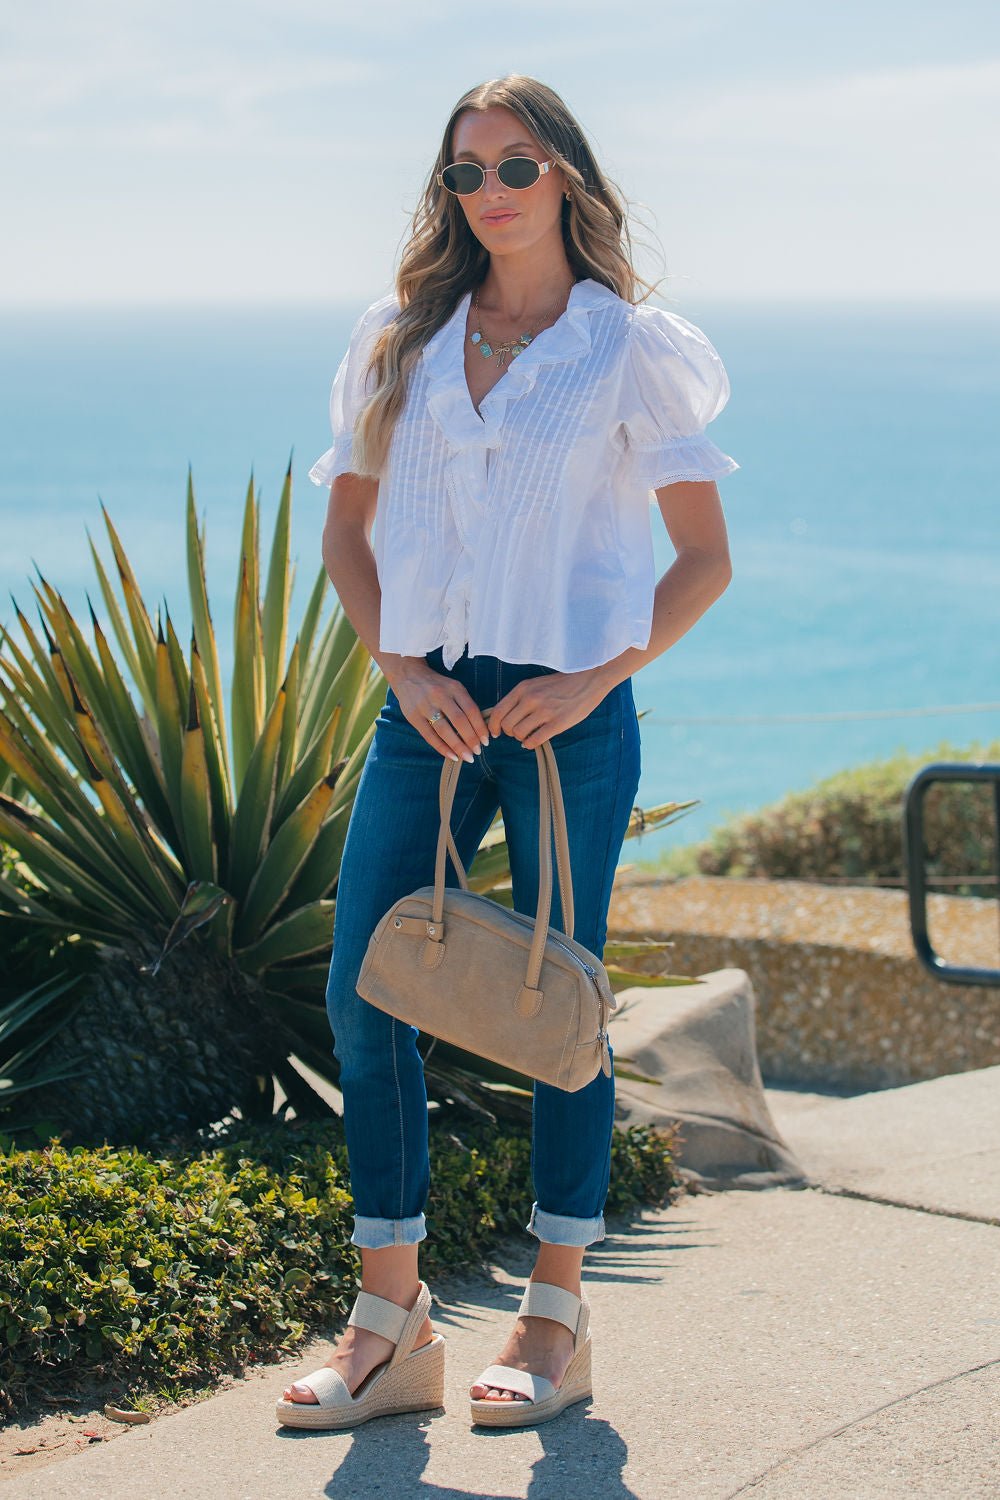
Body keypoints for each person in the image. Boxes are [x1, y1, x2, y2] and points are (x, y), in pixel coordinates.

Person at [276, 72, 738, 1432]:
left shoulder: (630, 347)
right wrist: (397, 666)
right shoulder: (398, 335)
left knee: (559, 1015)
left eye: (516, 166)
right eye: (466, 171)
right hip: (422, 706)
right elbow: (347, 535)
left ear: (568, 182)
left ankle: (554, 1321)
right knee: (370, 998)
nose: (488, 193)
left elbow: (703, 562)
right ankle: (390, 1328)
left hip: (565, 717)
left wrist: (598, 676)